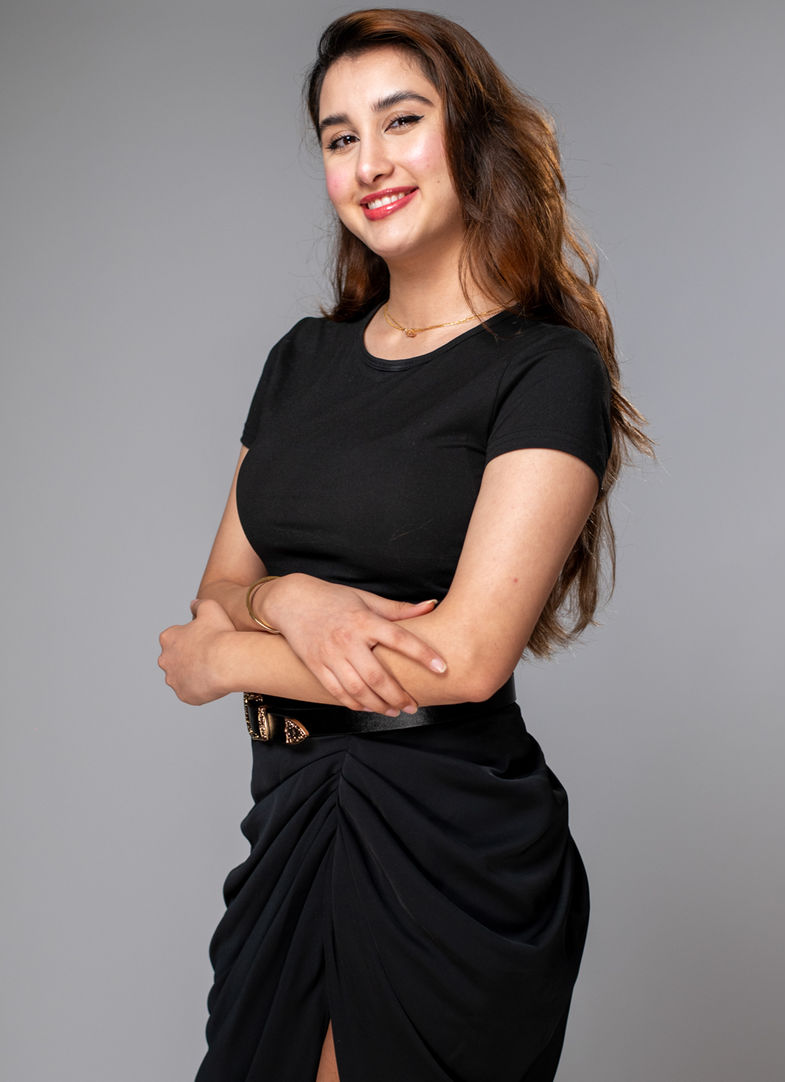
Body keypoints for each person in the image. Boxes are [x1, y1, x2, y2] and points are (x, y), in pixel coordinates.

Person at [158, 9, 651, 1081]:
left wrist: (224, 656)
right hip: (289, 821)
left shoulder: (543, 370)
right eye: (339, 137)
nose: (368, 162)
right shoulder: (300, 360)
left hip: (445, 846)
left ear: (469, 136)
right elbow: (222, 586)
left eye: (400, 121)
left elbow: (460, 661)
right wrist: (290, 599)